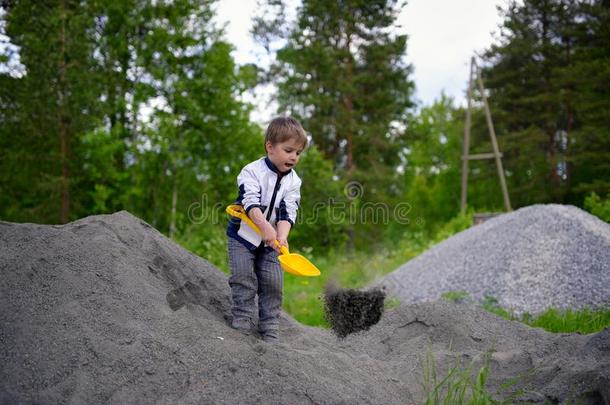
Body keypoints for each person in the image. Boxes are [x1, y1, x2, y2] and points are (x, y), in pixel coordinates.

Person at [226, 116, 308, 343]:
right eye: (289, 150)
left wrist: (281, 235)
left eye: (298, 153)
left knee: (273, 283)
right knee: (243, 277)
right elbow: (249, 202)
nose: (293, 156)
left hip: (272, 242)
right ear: (270, 147)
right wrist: (264, 228)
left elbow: (288, 210)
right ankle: (242, 318)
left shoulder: (294, 182)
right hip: (243, 236)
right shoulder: (251, 172)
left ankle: (269, 327)